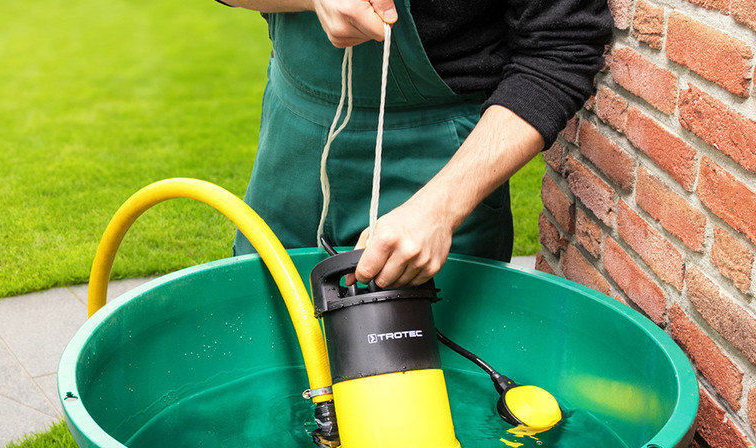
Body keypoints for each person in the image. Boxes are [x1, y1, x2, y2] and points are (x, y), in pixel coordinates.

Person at [224, 0, 612, 288]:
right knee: (266, 344)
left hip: (435, 166)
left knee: (414, 379)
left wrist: (439, 210)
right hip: (290, 145)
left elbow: (561, 49)